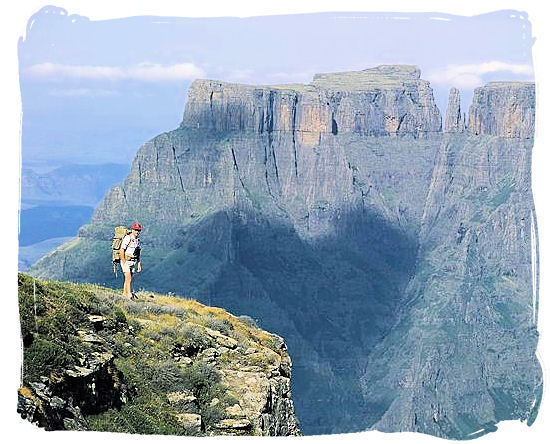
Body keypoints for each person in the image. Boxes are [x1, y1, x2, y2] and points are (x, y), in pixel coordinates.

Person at [120, 221, 142, 299]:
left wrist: (139, 263)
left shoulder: (137, 240)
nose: (137, 232)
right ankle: (129, 295)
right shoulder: (127, 238)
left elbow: (137, 252)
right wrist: (124, 262)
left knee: (128, 279)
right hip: (126, 261)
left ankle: (124, 294)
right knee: (128, 278)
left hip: (133, 261)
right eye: (136, 230)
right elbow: (121, 250)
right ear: (132, 230)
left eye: (138, 230)